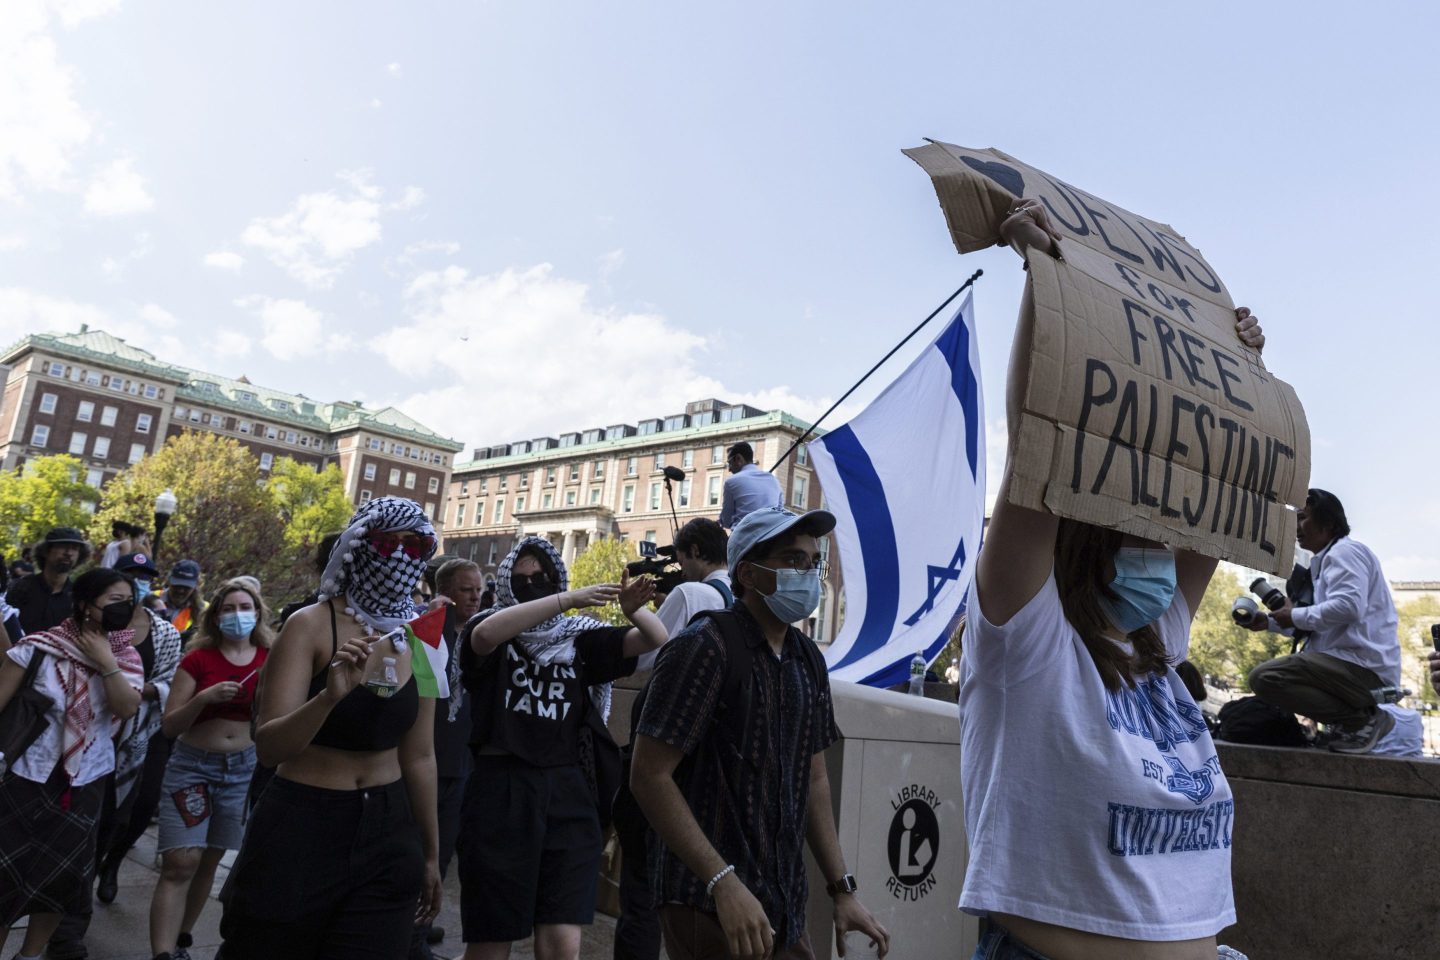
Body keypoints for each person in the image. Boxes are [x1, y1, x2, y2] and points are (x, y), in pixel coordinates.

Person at [952, 198, 1263, 960]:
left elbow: (1219, 490)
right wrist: (1046, 281)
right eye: (1149, 533)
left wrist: (1241, 374)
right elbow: (1038, 446)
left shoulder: (1159, 645)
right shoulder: (1029, 646)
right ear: (1091, 534)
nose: (1172, 548)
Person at [632, 506, 889, 960]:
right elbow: (649, 776)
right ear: (749, 574)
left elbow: (814, 780)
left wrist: (842, 890)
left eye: (813, 561)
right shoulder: (704, 646)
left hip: (781, 904)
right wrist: (722, 882)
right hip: (708, 905)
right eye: (793, 559)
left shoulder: (807, 658)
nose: (808, 572)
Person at [217, 496, 442, 959]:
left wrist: (431, 853)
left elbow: (419, 755)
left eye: (415, 546)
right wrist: (329, 697)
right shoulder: (310, 625)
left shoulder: (419, 636)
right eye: (385, 544)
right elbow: (270, 748)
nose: (400, 556)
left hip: (387, 827)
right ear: (358, 546)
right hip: (303, 821)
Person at [457, 536, 665, 960]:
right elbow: (485, 634)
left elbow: (655, 638)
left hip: (567, 790)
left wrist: (633, 611)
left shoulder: (578, 640)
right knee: (493, 932)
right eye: (523, 578)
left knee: (561, 928)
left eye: (544, 578)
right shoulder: (495, 632)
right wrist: (566, 599)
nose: (534, 583)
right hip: (502, 789)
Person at [44, 553, 184, 960]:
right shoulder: (83, 632)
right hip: (82, 745)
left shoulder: (163, 632)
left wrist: (139, 692)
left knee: (121, 821)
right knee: (76, 835)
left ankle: (108, 865)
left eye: (142, 579)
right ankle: (68, 932)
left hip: (138, 742)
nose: (134, 586)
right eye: (126, 578)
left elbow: (171, 679)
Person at [0, 569, 143, 958]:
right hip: (23, 777)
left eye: (129, 600)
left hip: (84, 782)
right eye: (114, 601)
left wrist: (104, 661)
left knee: (59, 884)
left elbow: (127, 707)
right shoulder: (38, 648)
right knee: (4, 880)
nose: (124, 608)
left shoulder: (126, 655)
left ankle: (29, 955)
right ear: (84, 605)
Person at [611, 518, 731, 960]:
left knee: (641, 887)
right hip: (714, 759)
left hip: (668, 748)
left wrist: (640, 612)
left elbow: (645, 657)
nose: (678, 566)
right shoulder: (739, 596)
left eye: (681, 556)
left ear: (696, 551)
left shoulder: (690, 594)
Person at [148, 578, 272, 960]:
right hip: (193, 768)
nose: (238, 615)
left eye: (245, 608)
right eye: (229, 608)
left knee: (209, 859)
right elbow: (170, 726)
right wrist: (204, 698)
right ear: (215, 617)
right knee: (179, 862)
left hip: (241, 770)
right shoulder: (197, 660)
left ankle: (183, 937)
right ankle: (162, 953)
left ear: (258, 613)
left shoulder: (271, 657)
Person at [1243, 490, 1402, 753]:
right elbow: (1321, 622)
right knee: (1266, 678)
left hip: (1363, 669)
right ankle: (1355, 724)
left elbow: (1349, 607)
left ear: (1328, 522)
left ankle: (1361, 721)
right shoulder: (1326, 561)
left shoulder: (1345, 552)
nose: (1296, 527)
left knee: (1265, 677)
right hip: (1349, 667)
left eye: (1303, 518)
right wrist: (1268, 622)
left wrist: (1293, 615)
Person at [410, 557, 485, 958]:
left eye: (479, 589)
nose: (475, 596)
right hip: (421, 758)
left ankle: (419, 933)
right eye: (466, 590)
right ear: (445, 593)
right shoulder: (426, 633)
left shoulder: (482, 635)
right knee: (413, 850)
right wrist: (428, 618)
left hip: (460, 764)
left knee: (442, 854)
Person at [6, 527, 92, 637]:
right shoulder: (20, 588)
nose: (69, 553)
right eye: (63, 547)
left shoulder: (78, 597)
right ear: (46, 551)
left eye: (75, 548)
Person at [717, 443, 782, 530]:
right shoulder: (774, 480)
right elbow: (781, 513)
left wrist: (721, 520)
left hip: (744, 537)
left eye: (730, 463)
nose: (729, 469)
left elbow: (726, 521)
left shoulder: (731, 482)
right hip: (772, 536)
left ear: (738, 458)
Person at [162, 561, 204, 639]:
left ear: (196, 586)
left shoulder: (204, 610)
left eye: (186, 587)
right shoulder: (151, 599)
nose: (180, 590)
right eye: (177, 585)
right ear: (169, 581)